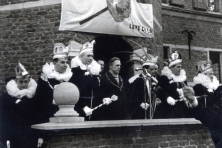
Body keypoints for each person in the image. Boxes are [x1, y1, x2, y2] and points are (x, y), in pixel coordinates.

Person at [32, 43, 72, 146]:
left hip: (65, 116)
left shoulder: (68, 77)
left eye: (66, 62)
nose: (65, 65)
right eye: (62, 62)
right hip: (48, 116)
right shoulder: (45, 78)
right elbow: (39, 101)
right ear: (54, 63)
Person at [0, 62, 38, 148]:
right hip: (13, 135)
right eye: (21, 82)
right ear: (16, 82)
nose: (24, 85)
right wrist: (5, 137)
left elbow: (36, 116)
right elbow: (4, 118)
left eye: (26, 82)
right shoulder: (7, 97)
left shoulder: (33, 96)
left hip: (30, 134)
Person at [190, 60, 222, 147]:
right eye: (209, 74)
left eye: (212, 73)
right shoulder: (199, 87)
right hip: (212, 119)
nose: (212, 75)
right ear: (203, 75)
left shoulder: (217, 86)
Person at [69, 41, 101, 120]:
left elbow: (97, 90)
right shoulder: (76, 72)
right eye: (88, 56)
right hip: (81, 106)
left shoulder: (93, 72)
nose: (91, 58)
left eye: (92, 56)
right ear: (81, 57)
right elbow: (74, 92)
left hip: (94, 106)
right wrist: (84, 107)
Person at [157, 50, 190, 118]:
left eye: (181, 67)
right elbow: (160, 91)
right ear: (171, 68)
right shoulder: (164, 78)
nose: (180, 69)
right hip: (169, 107)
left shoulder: (182, 78)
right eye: (178, 67)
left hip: (182, 106)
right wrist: (167, 97)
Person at [128, 54, 159, 119]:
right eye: (151, 69)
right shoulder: (137, 80)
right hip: (140, 112)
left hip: (151, 111)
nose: (153, 71)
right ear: (145, 69)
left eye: (154, 69)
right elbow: (132, 97)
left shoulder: (153, 80)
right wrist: (140, 104)